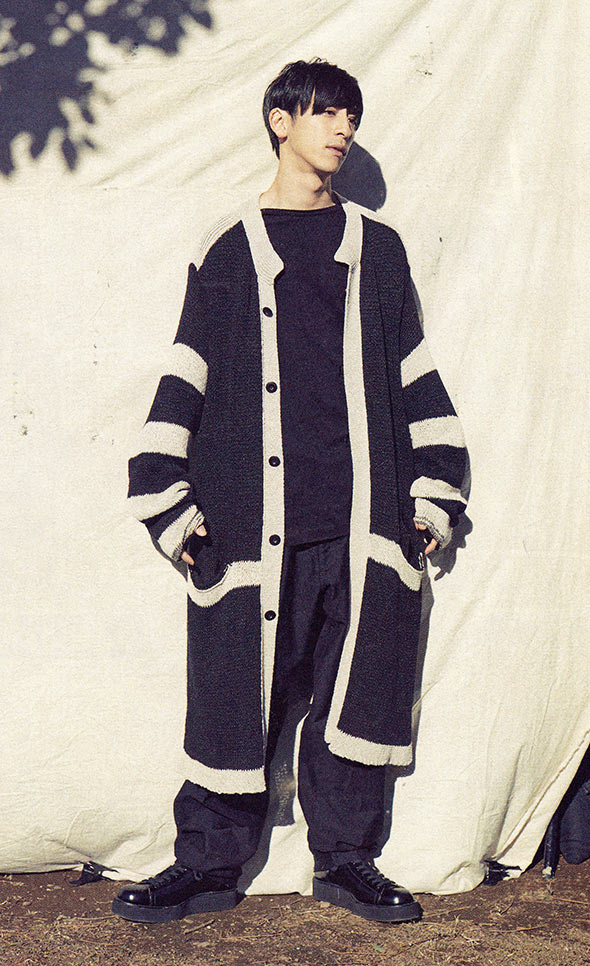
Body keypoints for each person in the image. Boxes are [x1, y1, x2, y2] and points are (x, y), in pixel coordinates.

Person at [114, 57, 467, 926]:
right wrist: (168, 497)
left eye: (351, 116)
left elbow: (416, 374)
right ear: (280, 120)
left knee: (359, 690)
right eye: (325, 113)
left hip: (360, 523)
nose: (342, 129)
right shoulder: (229, 246)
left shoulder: (378, 249)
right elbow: (187, 371)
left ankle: (345, 862)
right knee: (234, 693)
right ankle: (206, 864)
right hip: (250, 526)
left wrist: (434, 492)